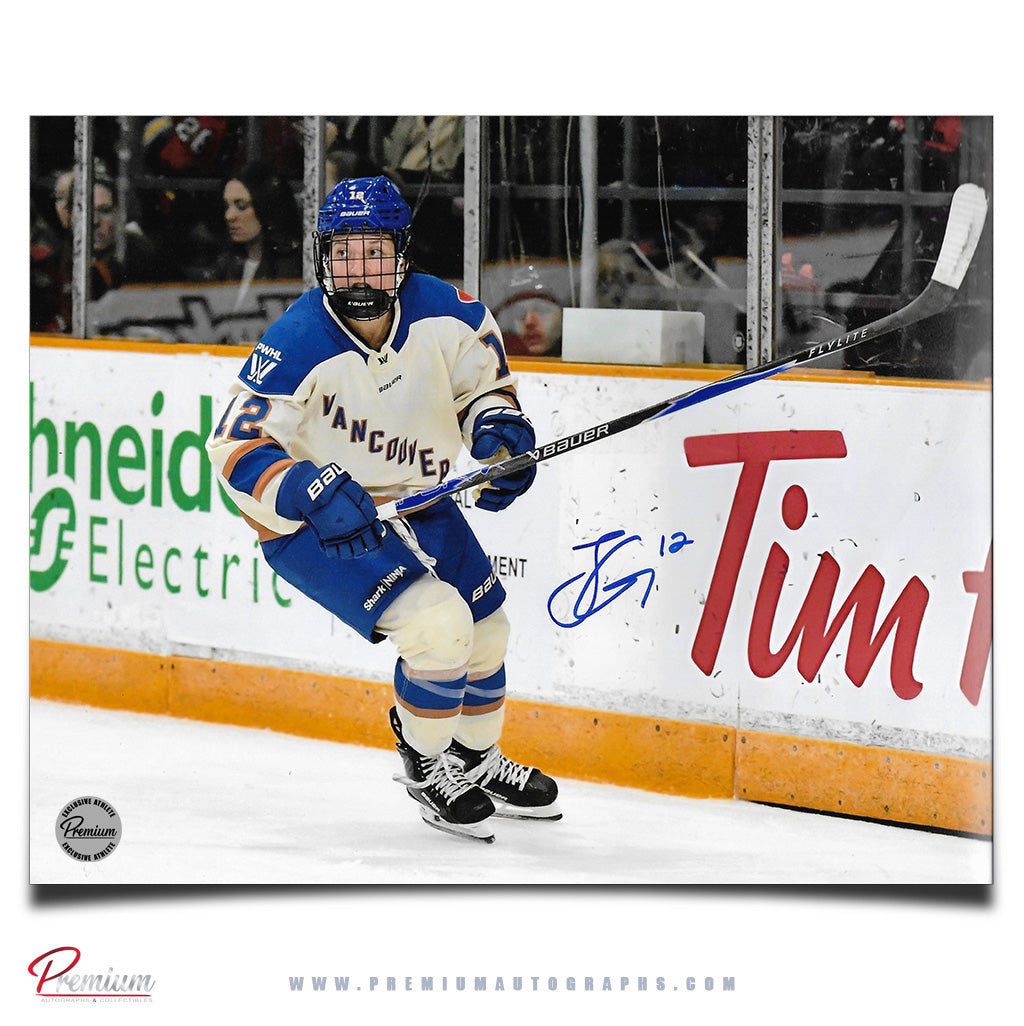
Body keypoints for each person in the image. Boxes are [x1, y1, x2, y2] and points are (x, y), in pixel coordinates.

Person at [205, 175, 561, 842]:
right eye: (344, 253)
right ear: (323, 257)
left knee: (488, 630)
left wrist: (499, 436)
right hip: (318, 523)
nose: (359, 269)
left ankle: (474, 759)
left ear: (401, 252)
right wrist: (302, 488)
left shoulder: (450, 314)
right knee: (439, 627)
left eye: (373, 251)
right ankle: (426, 767)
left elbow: (483, 390)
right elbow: (233, 446)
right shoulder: (298, 339)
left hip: (418, 501)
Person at [214, 161, 302, 307]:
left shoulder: (293, 268)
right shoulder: (226, 264)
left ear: (266, 206)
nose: (229, 216)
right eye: (227, 206)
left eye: (241, 206)